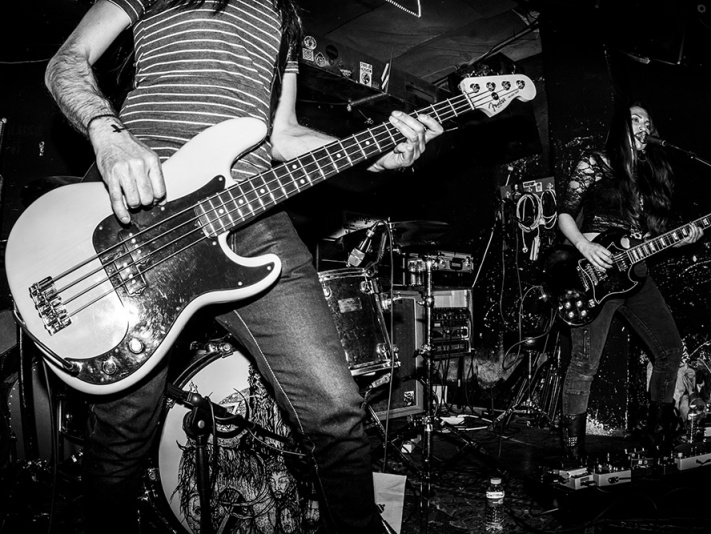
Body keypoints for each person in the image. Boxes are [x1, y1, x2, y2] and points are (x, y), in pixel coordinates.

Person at [43, 1, 443, 532]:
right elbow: (67, 60)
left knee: (337, 414)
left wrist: (373, 152)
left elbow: (284, 135)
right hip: (144, 208)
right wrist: (109, 135)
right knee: (124, 431)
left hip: (250, 215)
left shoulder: (285, 19)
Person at [555, 101, 703, 465]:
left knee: (670, 350)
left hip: (635, 274)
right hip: (595, 273)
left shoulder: (649, 175)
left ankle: (658, 438)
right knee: (585, 364)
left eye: (647, 122)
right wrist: (585, 246)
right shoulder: (596, 161)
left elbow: (649, 235)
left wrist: (681, 238)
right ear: (621, 127)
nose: (643, 126)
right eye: (635, 120)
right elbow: (564, 214)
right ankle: (573, 451)